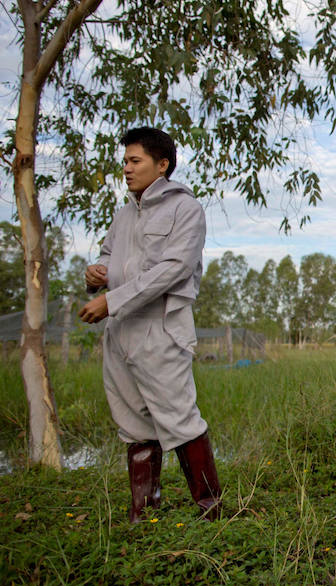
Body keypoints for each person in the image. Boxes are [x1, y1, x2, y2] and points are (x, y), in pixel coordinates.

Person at [79, 127, 221, 522]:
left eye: (134, 160)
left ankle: (210, 511)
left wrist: (111, 298)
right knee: (133, 423)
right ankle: (145, 513)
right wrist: (96, 274)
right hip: (119, 329)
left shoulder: (185, 210)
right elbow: (110, 257)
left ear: (162, 165)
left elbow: (174, 269)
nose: (126, 168)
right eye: (125, 161)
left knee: (179, 416)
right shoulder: (124, 214)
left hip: (160, 326)